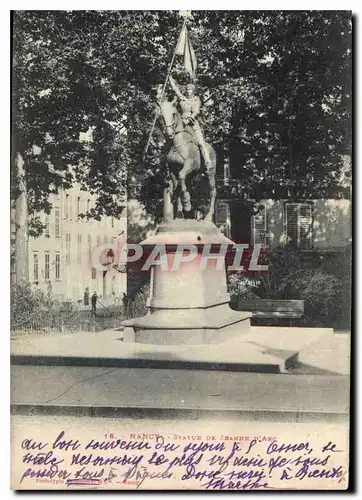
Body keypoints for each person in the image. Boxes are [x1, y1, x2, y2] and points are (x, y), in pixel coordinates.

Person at [168, 75, 211, 169]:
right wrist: (170, 77)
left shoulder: (196, 100)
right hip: (181, 123)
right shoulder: (183, 98)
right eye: (187, 89)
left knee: (200, 142)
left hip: (192, 123)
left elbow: (196, 111)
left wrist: (190, 118)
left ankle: (207, 160)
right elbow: (175, 89)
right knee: (171, 136)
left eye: (190, 90)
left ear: (193, 91)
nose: (188, 91)